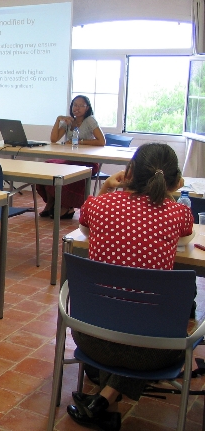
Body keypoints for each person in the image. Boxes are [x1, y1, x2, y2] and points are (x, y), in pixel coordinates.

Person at [66, 142, 193, 431]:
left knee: (119, 318)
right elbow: (186, 237)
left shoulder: (98, 205)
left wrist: (105, 188)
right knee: (150, 329)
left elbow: (84, 227)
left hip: (90, 338)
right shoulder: (177, 213)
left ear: (129, 172)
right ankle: (105, 399)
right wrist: (169, 193)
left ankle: (105, 402)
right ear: (175, 181)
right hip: (153, 351)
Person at [36, 95, 106, 219]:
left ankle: (67, 206)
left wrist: (79, 142)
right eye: (74, 105)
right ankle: (50, 203)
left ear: (87, 108)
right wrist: (58, 120)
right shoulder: (69, 121)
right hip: (71, 158)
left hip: (88, 162)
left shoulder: (90, 120)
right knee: (48, 165)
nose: (76, 108)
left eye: (80, 106)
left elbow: (101, 141)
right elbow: (54, 139)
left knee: (66, 169)